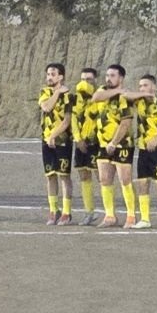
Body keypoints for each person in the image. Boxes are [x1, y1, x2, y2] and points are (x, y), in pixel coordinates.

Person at [122, 73, 157, 230]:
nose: (142, 88)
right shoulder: (139, 102)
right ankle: (145, 219)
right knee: (142, 184)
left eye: (145, 85)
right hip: (143, 151)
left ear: (154, 86)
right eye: (140, 86)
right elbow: (125, 95)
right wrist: (141, 93)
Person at [92, 63, 139, 228]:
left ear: (121, 78)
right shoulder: (103, 92)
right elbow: (95, 98)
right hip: (102, 143)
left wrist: (114, 142)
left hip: (123, 144)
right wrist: (116, 90)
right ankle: (110, 216)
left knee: (125, 179)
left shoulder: (124, 97)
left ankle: (131, 216)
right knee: (105, 179)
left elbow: (126, 122)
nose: (108, 78)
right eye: (107, 75)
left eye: (112, 75)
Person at [38, 62, 75, 225]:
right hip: (46, 140)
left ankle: (67, 212)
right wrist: (57, 93)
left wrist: (54, 135)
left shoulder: (69, 96)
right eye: (48, 74)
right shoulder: (44, 92)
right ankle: (53, 210)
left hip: (63, 141)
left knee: (64, 175)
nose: (49, 77)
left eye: (53, 74)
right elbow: (46, 107)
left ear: (61, 76)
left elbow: (67, 121)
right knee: (50, 175)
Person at [71, 66, 102, 225]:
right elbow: (74, 119)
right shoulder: (77, 98)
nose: (85, 83)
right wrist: (77, 139)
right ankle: (89, 212)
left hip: (96, 142)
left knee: (102, 177)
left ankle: (110, 212)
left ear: (95, 79)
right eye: (83, 79)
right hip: (81, 143)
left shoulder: (100, 96)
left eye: (89, 79)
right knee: (84, 175)